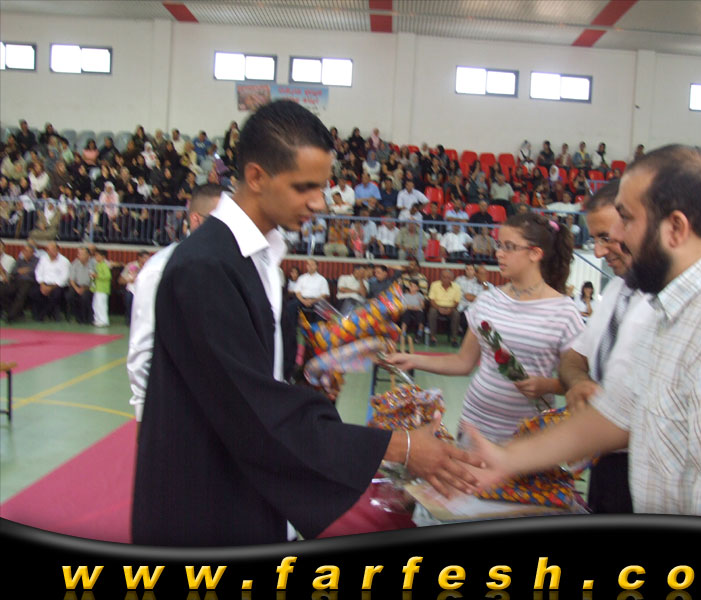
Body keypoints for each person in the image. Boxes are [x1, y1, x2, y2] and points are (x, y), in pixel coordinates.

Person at [132, 101, 481, 547]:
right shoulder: (204, 266)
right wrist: (400, 447)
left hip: (244, 479)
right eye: (304, 187)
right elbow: (252, 410)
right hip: (206, 500)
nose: (319, 202)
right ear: (256, 176)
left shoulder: (259, 258)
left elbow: (259, 379)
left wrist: (312, 376)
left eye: (322, 187)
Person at [465, 145, 701, 527]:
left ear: (675, 228)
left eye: (625, 219)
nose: (617, 238)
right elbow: (617, 415)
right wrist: (508, 458)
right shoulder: (676, 303)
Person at [387, 212, 583, 442]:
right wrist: (413, 359)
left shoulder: (564, 311)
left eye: (509, 247)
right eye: (499, 245)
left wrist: (547, 385)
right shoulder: (488, 301)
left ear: (535, 253)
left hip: (527, 437)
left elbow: (579, 381)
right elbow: (463, 362)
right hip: (475, 425)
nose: (498, 253)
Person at [558, 180, 654, 514]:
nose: (598, 252)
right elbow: (573, 359)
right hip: (604, 458)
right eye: (595, 240)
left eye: (605, 238)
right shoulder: (616, 290)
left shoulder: (671, 303)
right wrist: (579, 383)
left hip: (644, 466)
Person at [128, 184, 225, 423]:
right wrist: (143, 412)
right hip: (177, 403)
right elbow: (142, 348)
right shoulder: (160, 269)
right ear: (196, 220)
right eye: (220, 222)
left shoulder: (233, 267)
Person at [31, 241, 70, 321]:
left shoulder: (64, 261)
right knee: (33, 292)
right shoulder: (43, 259)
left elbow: (64, 277)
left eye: (52, 249)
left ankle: (43, 314)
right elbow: (38, 272)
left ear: (57, 250)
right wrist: (42, 284)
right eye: (48, 249)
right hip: (44, 283)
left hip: (58, 285)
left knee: (55, 295)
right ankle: (37, 314)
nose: (50, 251)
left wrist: (51, 288)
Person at [119, 251, 149, 326]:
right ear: (139, 258)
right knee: (129, 299)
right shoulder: (131, 265)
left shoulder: (150, 266)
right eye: (145, 258)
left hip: (144, 290)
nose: (147, 260)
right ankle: (129, 320)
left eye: (148, 258)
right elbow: (120, 280)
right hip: (132, 289)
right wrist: (129, 280)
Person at [66, 247, 94, 324]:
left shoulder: (93, 264)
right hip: (76, 285)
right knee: (70, 295)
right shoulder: (75, 263)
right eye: (78, 254)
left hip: (89, 287)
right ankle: (75, 316)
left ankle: (85, 318)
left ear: (88, 255)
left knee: (85, 296)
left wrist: (85, 288)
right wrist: (77, 288)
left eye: (82, 254)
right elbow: (71, 280)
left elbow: (94, 280)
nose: (79, 256)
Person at [90, 249, 111, 327]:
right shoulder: (98, 265)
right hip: (97, 288)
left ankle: (103, 321)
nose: (96, 257)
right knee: (96, 305)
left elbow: (108, 276)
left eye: (98, 255)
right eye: (95, 255)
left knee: (101, 305)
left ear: (103, 257)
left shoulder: (104, 265)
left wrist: (97, 276)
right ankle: (97, 319)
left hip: (103, 289)